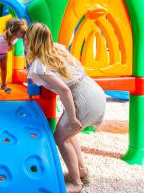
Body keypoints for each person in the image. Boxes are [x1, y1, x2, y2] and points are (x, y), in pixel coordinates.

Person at [25, 22, 106, 193]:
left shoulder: (40, 65)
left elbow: (64, 90)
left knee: (60, 138)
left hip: (83, 99)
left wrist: (73, 117)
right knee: (68, 134)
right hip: (94, 91)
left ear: (30, 40)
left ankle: (76, 184)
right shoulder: (58, 49)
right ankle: (82, 171)